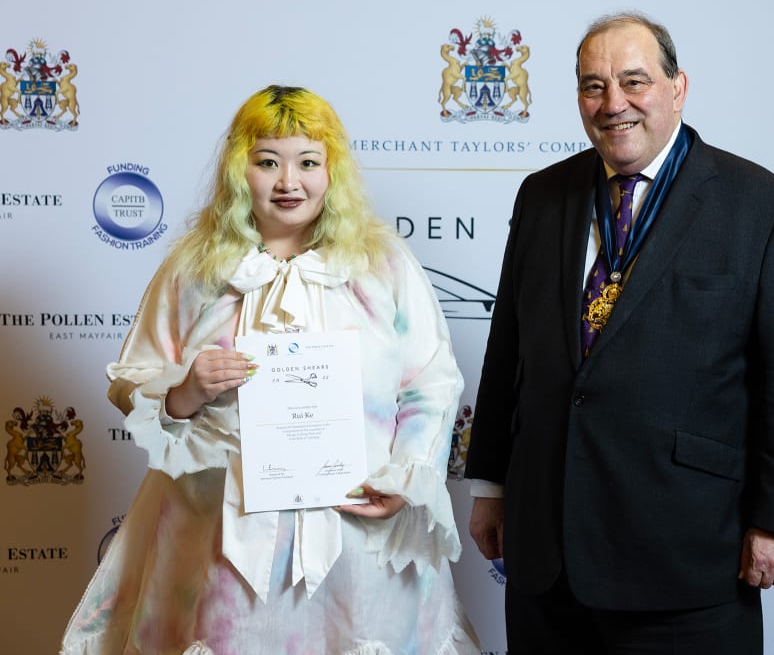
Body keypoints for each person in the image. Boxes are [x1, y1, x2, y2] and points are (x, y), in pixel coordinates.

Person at [61, 85, 479, 655]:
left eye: (308, 162)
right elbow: (132, 378)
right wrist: (185, 391)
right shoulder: (195, 266)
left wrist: (406, 476)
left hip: (357, 533)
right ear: (241, 170)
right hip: (217, 536)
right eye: (268, 162)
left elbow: (430, 380)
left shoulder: (382, 263)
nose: (289, 182)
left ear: (331, 171)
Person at [464, 12, 774, 654]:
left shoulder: (765, 209)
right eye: (592, 86)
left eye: (634, 81)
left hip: (687, 554)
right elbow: (509, 348)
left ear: (677, 86)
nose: (614, 104)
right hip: (547, 552)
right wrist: (491, 486)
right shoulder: (542, 195)